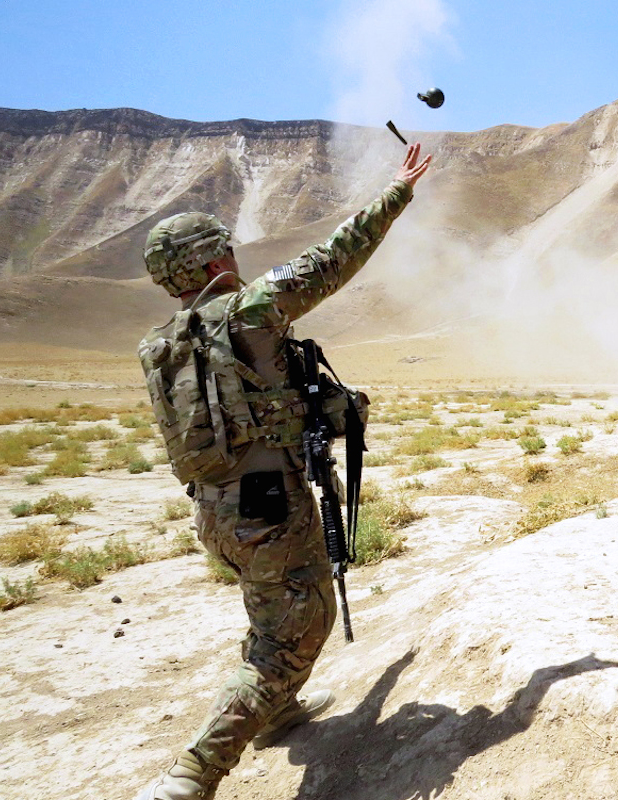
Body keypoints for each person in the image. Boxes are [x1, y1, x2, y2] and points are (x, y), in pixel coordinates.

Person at [133, 143, 431, 800]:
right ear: (214, 260)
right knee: (298, 630)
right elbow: (331, 261)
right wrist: (397, 193)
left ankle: (280, 713)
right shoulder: (249, 312)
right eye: (228, 253)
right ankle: (193, 772)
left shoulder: (161, 345)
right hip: (269, 510)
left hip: (214, 512)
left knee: (271, 612)